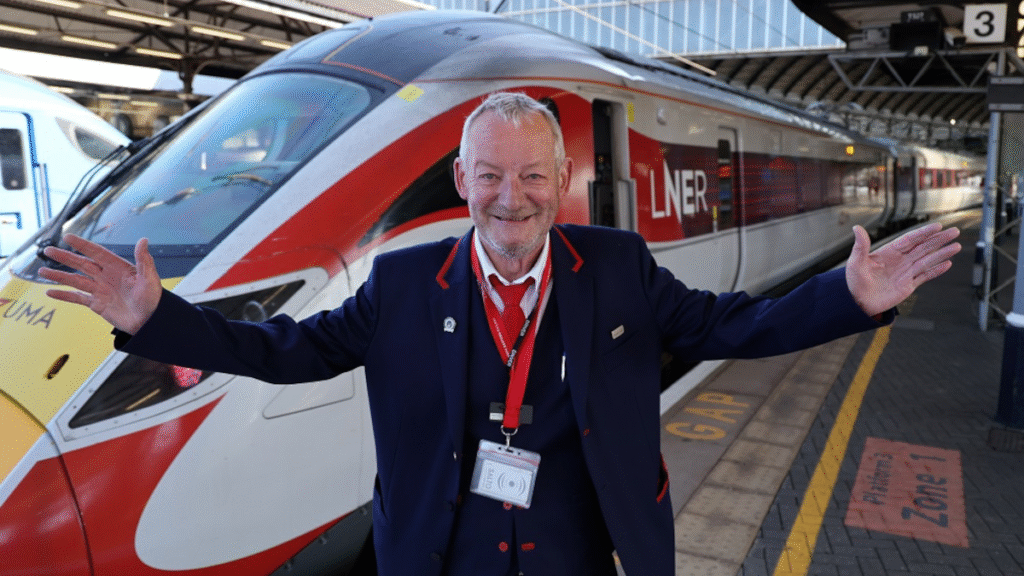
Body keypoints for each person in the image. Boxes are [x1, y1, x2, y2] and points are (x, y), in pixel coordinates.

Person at [40, 92, 961, 576]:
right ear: (461, 179)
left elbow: (735, 325)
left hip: (580, 557)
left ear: (563, 178)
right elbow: (288, 351)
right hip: (438, 558)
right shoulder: (405, 283)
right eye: (489, 176)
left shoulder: (618, 268)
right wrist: (159, 319)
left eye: (531, 176)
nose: (509, 198)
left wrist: (848, 296)